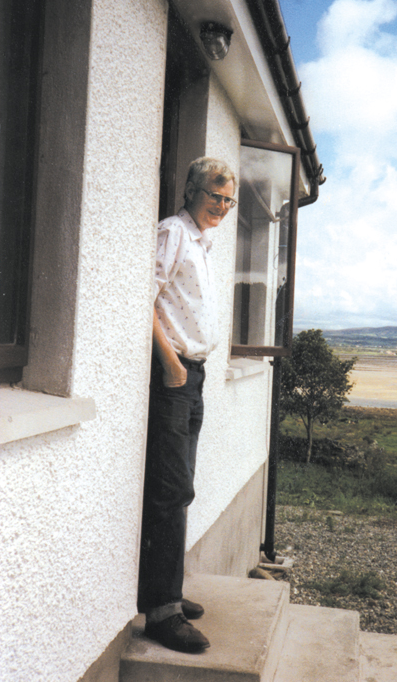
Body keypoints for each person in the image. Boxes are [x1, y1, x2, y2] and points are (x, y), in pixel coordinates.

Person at [137, 156, 237, 653]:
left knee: (182, 490)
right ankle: (161, 612)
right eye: (213, 195)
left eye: (227, 199)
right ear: (191, 191)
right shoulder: (173, 232)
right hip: (173, 376)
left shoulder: (203, 241)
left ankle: (164, 591)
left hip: (191, 378)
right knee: (170, 490)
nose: (220, 205)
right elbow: (143, 297)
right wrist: (172, 364)